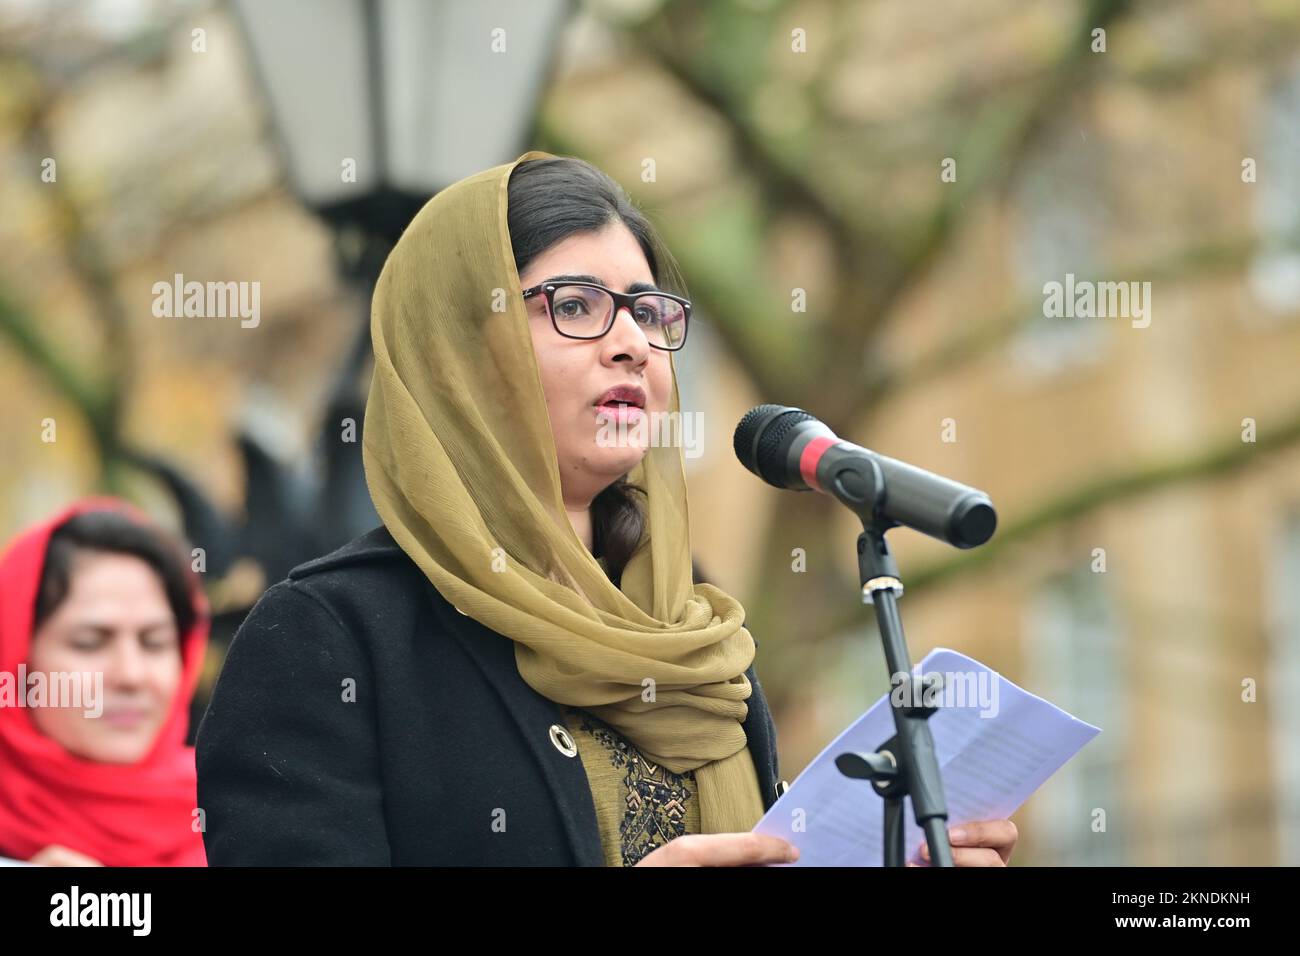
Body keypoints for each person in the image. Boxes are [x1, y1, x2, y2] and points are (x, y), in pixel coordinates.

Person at [196, 151, 1017, 867]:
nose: (630, 341)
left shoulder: (701, 644)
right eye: (577, 305)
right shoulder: (329, 640)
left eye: (649, 311)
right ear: (458, 356)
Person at [0, 498, 209, 866]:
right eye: (89, 643)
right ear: (15, 654)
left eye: (154, 642)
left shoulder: (241, 814)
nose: (130, 675)